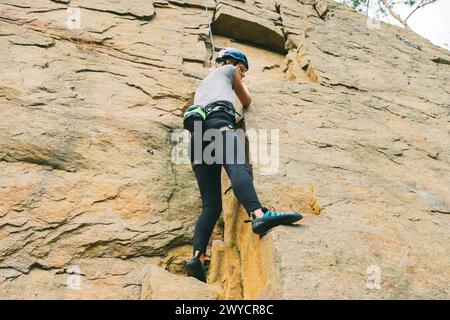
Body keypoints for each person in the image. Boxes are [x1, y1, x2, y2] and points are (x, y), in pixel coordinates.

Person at [185, 48, 303, 283]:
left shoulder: (203, 85)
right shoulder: (228, 70)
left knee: (211, 205)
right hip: (219, 123)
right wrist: (236, 78)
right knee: (238, 167)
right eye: (242, 69)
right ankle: (259, 214)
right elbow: (246, 100)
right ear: (230, 62)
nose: (243, 74)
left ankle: (197, 256)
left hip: (197, 139)